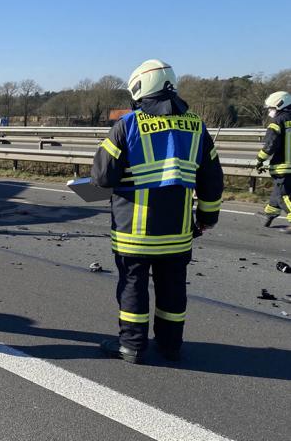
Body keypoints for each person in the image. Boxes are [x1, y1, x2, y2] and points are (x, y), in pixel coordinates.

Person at [91, 59, 224, 363]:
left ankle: (133, 346)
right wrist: (206, 218)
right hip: (177, 233)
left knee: (132, 287)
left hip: (134, 233)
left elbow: (101, 177)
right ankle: (170, 344)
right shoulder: (196, 126)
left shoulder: (128, 125)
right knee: (173, 289)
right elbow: (212, 179)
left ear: (139, 89)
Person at [255, 91, 291, 230]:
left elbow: (270, 145)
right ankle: (269, 214)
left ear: (279, 105)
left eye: (271, 108)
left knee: (284, 195)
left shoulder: (277, 122)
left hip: (283, 165)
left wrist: (259, 160)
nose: (270, 111)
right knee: (279, 190)